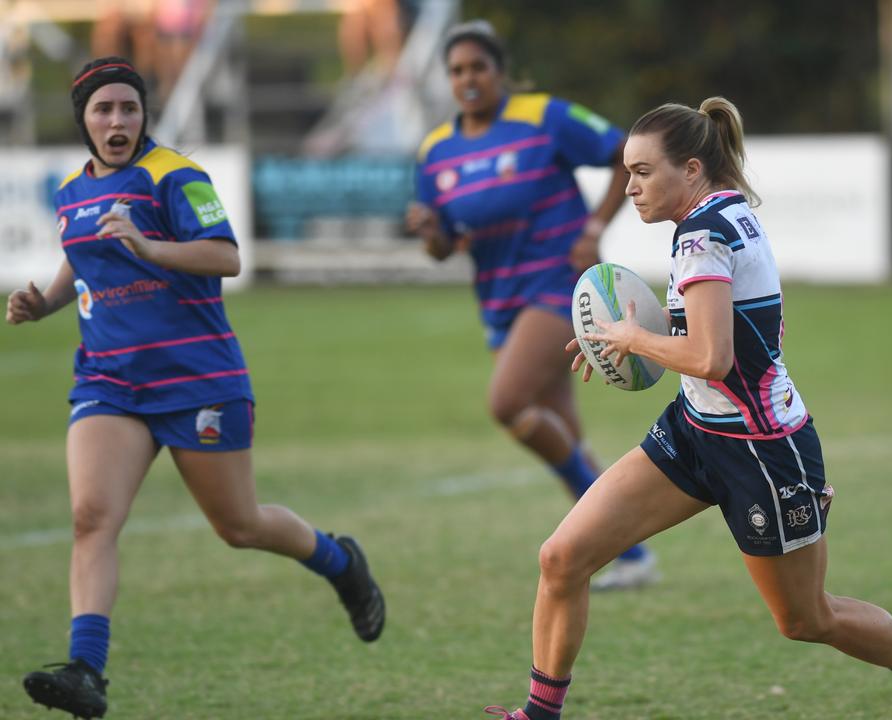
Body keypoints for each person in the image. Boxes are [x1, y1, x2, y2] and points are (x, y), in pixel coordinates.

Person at [482, 97, 892, 720]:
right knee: (563, 558)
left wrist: (630, 338)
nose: (630, 187)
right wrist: (613, 338)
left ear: (691, 170)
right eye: (627, 171)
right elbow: (714, 335)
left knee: (807, 618)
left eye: (643, 172)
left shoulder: (702, 234)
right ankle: (538, 715)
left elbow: (711, 356)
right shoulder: (719, 215)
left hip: (763, 450)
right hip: (696, 429)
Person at [6, 57, 385, 719]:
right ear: (84, 120)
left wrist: (150, 248)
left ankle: (339, 561)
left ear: (143, 114)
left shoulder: (176, 175)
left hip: (197, 379)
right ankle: (86, 669)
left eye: (128, 108)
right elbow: (81, 253)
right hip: (109, 381)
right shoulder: (71, 190)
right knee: (91, 518)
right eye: (104, 110)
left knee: (238, 526)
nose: (118, 120)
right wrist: (46, 303)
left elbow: (225, 255)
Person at [406, 20, 656, 590]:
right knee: (562, 428)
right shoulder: (435, 150)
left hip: (558, 284)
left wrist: (595, 227)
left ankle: (615, 542)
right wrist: (429, 231)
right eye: (456, 71)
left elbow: (625, 153)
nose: (467, 79)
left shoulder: (545, 115)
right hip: (498, 299)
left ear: (499, 71)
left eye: (477, 67)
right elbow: (444, 247)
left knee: (507, 401)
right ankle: (630, 552)